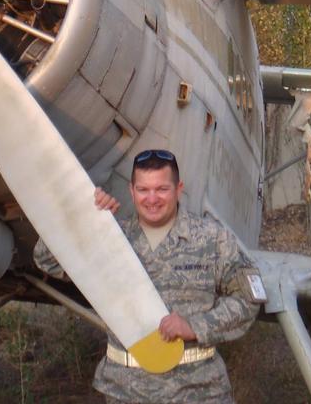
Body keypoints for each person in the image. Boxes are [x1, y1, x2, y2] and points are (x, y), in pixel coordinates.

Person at [34, 149, 261, 403]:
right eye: (143, 190)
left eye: (162, 189)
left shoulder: (213, 239)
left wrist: (195, 326)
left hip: (199, 392)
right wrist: (82, 215)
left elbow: (248, 297)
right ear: (132, 191)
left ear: (179, 188)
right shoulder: (111, 237)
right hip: (126, 392)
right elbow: (47, 260)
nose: (152, 199)